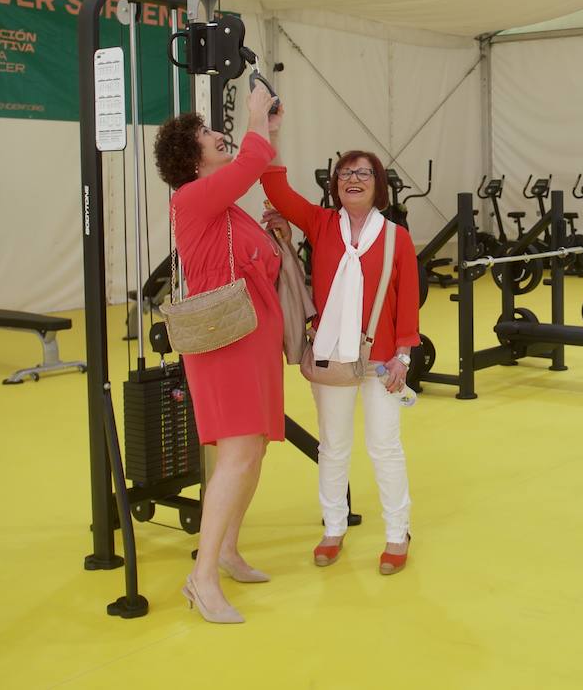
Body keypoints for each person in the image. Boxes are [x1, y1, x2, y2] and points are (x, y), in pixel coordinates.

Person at [260, 129, 420, 576]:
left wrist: (404, 359)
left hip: (383, 358)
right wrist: (271, 132)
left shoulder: (396, 238)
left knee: (385, 447)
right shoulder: (321, 224)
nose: (353, 179)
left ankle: (396, 532)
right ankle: (333, 527)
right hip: (331, 355)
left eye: (363, 172)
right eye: (345, 173)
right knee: (333, 448)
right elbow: (274, 187)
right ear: (334, 185)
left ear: (378, 184)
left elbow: (407, 301)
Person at [153, 84, 283, 623]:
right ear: (192, 156)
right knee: (235, 455)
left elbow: (259, 166)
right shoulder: (191, 197)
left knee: (253, 452)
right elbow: (253, 162)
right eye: (208, 134)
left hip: (251, 337)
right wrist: (255, 117)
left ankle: (227, 550)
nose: (218, 136)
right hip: (224, 341)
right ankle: (202, 578)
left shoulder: (224, 207)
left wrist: (267, 128)